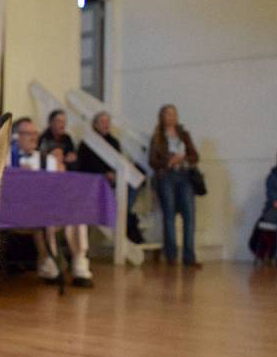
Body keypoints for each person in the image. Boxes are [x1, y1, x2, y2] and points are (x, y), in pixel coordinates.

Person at [11, 118, 92, 287]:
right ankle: (49, 264)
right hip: (14, 211)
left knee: (76, 214)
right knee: (45, 216)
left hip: (44, 207)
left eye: (35, 133)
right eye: (27, 134)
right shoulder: (6, 159)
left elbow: (59, 189)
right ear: (16, 136)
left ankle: (80, 264)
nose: (33, 137)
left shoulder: (47, 160)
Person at [148, 104, 201, 268]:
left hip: (184, 175)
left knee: (189, 216)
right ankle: (171, 255)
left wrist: (183, 158)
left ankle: (189, 256)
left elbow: (195, 156)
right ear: (162, 117)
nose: (171, 117)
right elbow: (152, 161)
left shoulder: (184, 135)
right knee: (169, 215)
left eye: (173, 114)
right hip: (167, 176)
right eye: (167, 114)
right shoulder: (157, 137)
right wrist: (168, 161)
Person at [78, 111, 143, 243]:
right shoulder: (87, 143)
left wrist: (113, 173)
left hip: (112, 178)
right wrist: (103, 174)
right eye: (102, 121)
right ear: (95, 124)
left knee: (137, 180)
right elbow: (84, 166)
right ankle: (125, 215)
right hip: (94, 180)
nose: (106, 124)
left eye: (108, 122)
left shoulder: (113, 142)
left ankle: (122, 211)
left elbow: (117, 162)